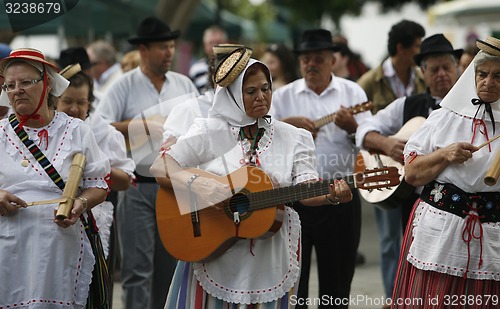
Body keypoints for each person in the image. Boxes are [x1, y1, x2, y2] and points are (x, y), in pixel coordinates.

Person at [156, 47, 353, 308]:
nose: (261, 97)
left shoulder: (295, 137)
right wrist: (199, 184)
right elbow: (162, 166)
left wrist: (331, 196)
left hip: (269, 255)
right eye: (251, 91)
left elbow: (306, 188)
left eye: (266, 88)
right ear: (233, 95)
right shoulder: (209, 131)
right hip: (209, 245)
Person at [95, 16, 199, 309]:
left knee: (172, 268)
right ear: (143, 50)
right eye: (161, 47)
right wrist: (139, 124)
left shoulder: (184, 83)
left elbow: (202, 127)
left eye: (170, 45)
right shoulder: (123, 85)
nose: (168, 52)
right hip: (137, 187)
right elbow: (99, 128)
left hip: (175, 187)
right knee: (136, 271)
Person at [392, 36, 500, 308]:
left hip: (491, 236)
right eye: (483, 74)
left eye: (499, 76)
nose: (489, 82)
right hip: (441, 232)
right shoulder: (445, 117)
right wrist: (446, 155)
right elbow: (412, 174)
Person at [0, 48, 110, 307]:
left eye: (26, 82)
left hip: (61, 249)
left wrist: (80, 204)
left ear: (47, 84)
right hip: (10, 249)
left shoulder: (77, 131)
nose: (17, 90)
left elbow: (98, 184)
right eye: (10, 85)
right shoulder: (0, 133)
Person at [271, 29, 372, 308]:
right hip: (296, 197)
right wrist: (287, 126)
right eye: (305, 59)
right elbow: (266, 142)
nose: (311, 64)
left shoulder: (352, 92)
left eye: (318, 58)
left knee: (338, 281)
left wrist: (353, 128)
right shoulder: (282, 97)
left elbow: (369, 142)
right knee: (293, 280)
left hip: (341, 193)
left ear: (332, 59)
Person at [356, 33, 462, 232]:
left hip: (460, 204)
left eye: (446, 68)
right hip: (416, 202)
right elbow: (364, 128)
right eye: (434, 69)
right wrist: (385, 143)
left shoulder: (470, 108)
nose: (441, 74)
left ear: (457, 68)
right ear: (422, 72)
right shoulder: (406, 105)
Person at [356, 19, 426, 304]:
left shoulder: (422, 79)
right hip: (384, 169)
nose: (421, 54)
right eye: (417, 47)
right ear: (402, 47)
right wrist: (385, 143)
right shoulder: (369, 82)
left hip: (417, 172)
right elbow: (361, 128)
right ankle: (390, 297)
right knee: (388, 241)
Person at [189, 25, 227, 93]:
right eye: (211, 43)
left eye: (218, 42)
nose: (214, 47)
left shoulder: (234, 66)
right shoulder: (196, 69)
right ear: (204, 46)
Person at [86, 40, 123, 107]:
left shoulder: (121, 79)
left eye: (89, 64)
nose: (86, 69)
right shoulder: (96, 80)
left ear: (102, 63)